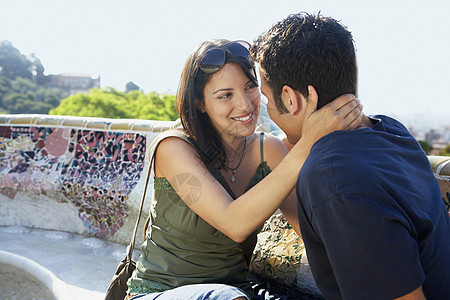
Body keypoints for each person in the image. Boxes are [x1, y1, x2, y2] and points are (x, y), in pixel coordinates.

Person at [125, 38, 363, 300]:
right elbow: (234, 223)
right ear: (200, 103)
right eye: (225, 95)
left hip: (240, 293)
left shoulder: (268, 151)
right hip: (161, 293)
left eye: (250, 87)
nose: (245, 104)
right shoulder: (173, 148)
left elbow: (310, 232)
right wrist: (306, 143)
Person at [251, 12, 450, 300]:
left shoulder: (335, 179)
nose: (267, 109)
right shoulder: (391, 131)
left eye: (268, 99)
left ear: (290, 99)